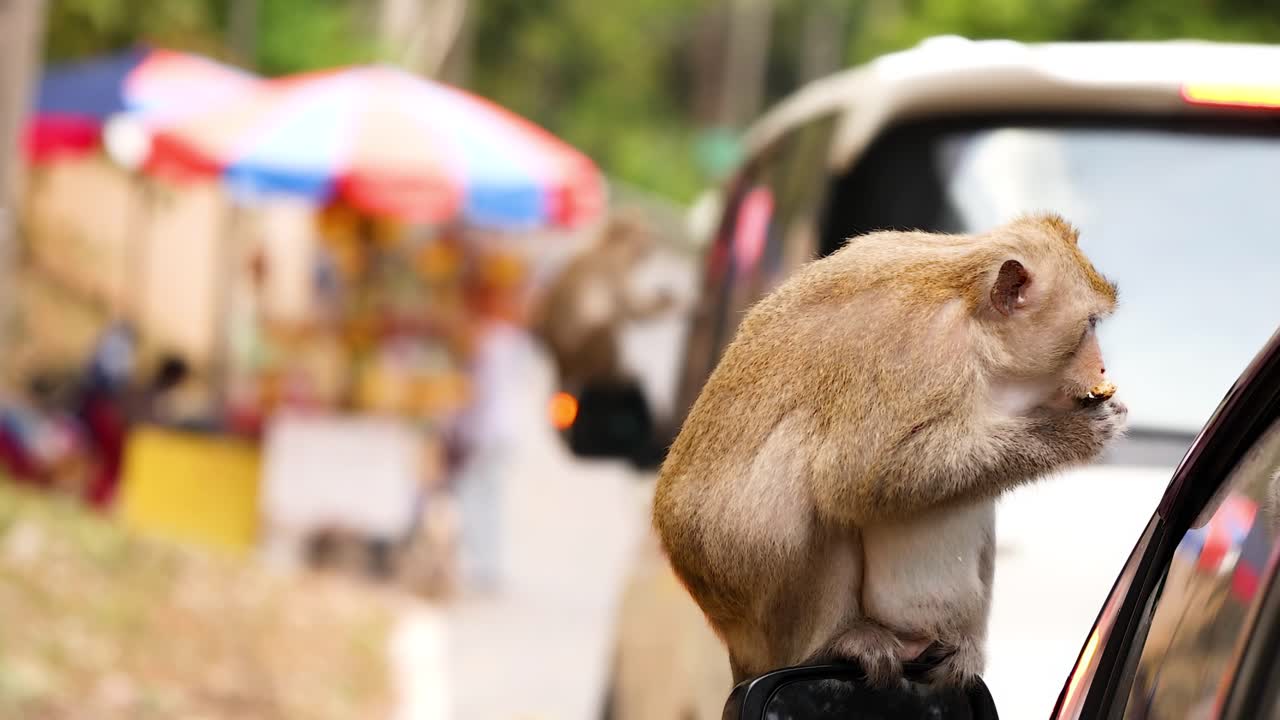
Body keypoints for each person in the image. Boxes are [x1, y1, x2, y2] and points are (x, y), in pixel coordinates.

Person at [452, 250, 537, 593]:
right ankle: (484, 563)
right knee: (486, 495)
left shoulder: (491, 340)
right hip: (500, 428)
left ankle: (481, 564)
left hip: (487, 430)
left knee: (477, 494)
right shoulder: (510, 339)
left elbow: (478, 392)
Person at [530, 210, 677, 392]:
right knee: (609, 339)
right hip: (575, 345)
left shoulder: (587, 256)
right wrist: (666, 304)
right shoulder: (613, 258)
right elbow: (633, 308)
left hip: (556, 341)